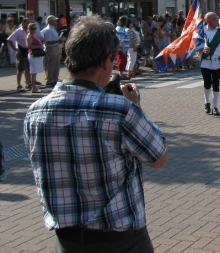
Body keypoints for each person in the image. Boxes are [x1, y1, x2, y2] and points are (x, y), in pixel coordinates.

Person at [24, 15, 167, 253]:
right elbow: (159, 157)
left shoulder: (35, 112)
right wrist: (135, 107)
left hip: (68, 240)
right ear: (105, 62)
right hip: (120, 240)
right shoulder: (118, 109)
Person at [199, 12, 220, 116]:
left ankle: (215, 106)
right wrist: (202, 49)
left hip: (218, 62)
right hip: (205, 62)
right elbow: (195, 46)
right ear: (208, 21)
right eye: (214, 19)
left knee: (216, 83)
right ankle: (207, 102)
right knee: (207, 83)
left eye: (217, 18)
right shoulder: (201, 31)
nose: (217, 20)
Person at [8, 19, 31, 91]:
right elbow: (10, 39)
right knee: (20, 69)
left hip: (28, 51)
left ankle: (28, 83)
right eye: (26, 22)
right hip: (21, 51)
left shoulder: (29, 31)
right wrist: (14, 48)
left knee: (28, 68)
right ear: (23, 23)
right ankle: (19, 84)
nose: (28, 24)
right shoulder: (18, 31)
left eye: (29, 23)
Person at [41, 15, 63, 87]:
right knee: (52, 64)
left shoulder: (53, 29)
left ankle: (55, 79)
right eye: (54, 20)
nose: (56, 21)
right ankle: (50, 80)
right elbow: (48, 42)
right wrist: (58, 41)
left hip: (55, 47)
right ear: (50, 21)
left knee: (56, 64)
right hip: (51, 48)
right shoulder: (48, 30)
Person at [26, 23, 45, 94]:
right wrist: (38, 47)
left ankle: (34, 87)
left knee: (35, 72)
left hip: (37, 55)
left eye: (35, 29)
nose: (34, 30)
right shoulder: (29, 36)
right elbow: (28, 46)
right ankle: (33, 87)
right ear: (29, 29)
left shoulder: (34, 35)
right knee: (33, 72)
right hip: (33, 55)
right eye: (32, 29)